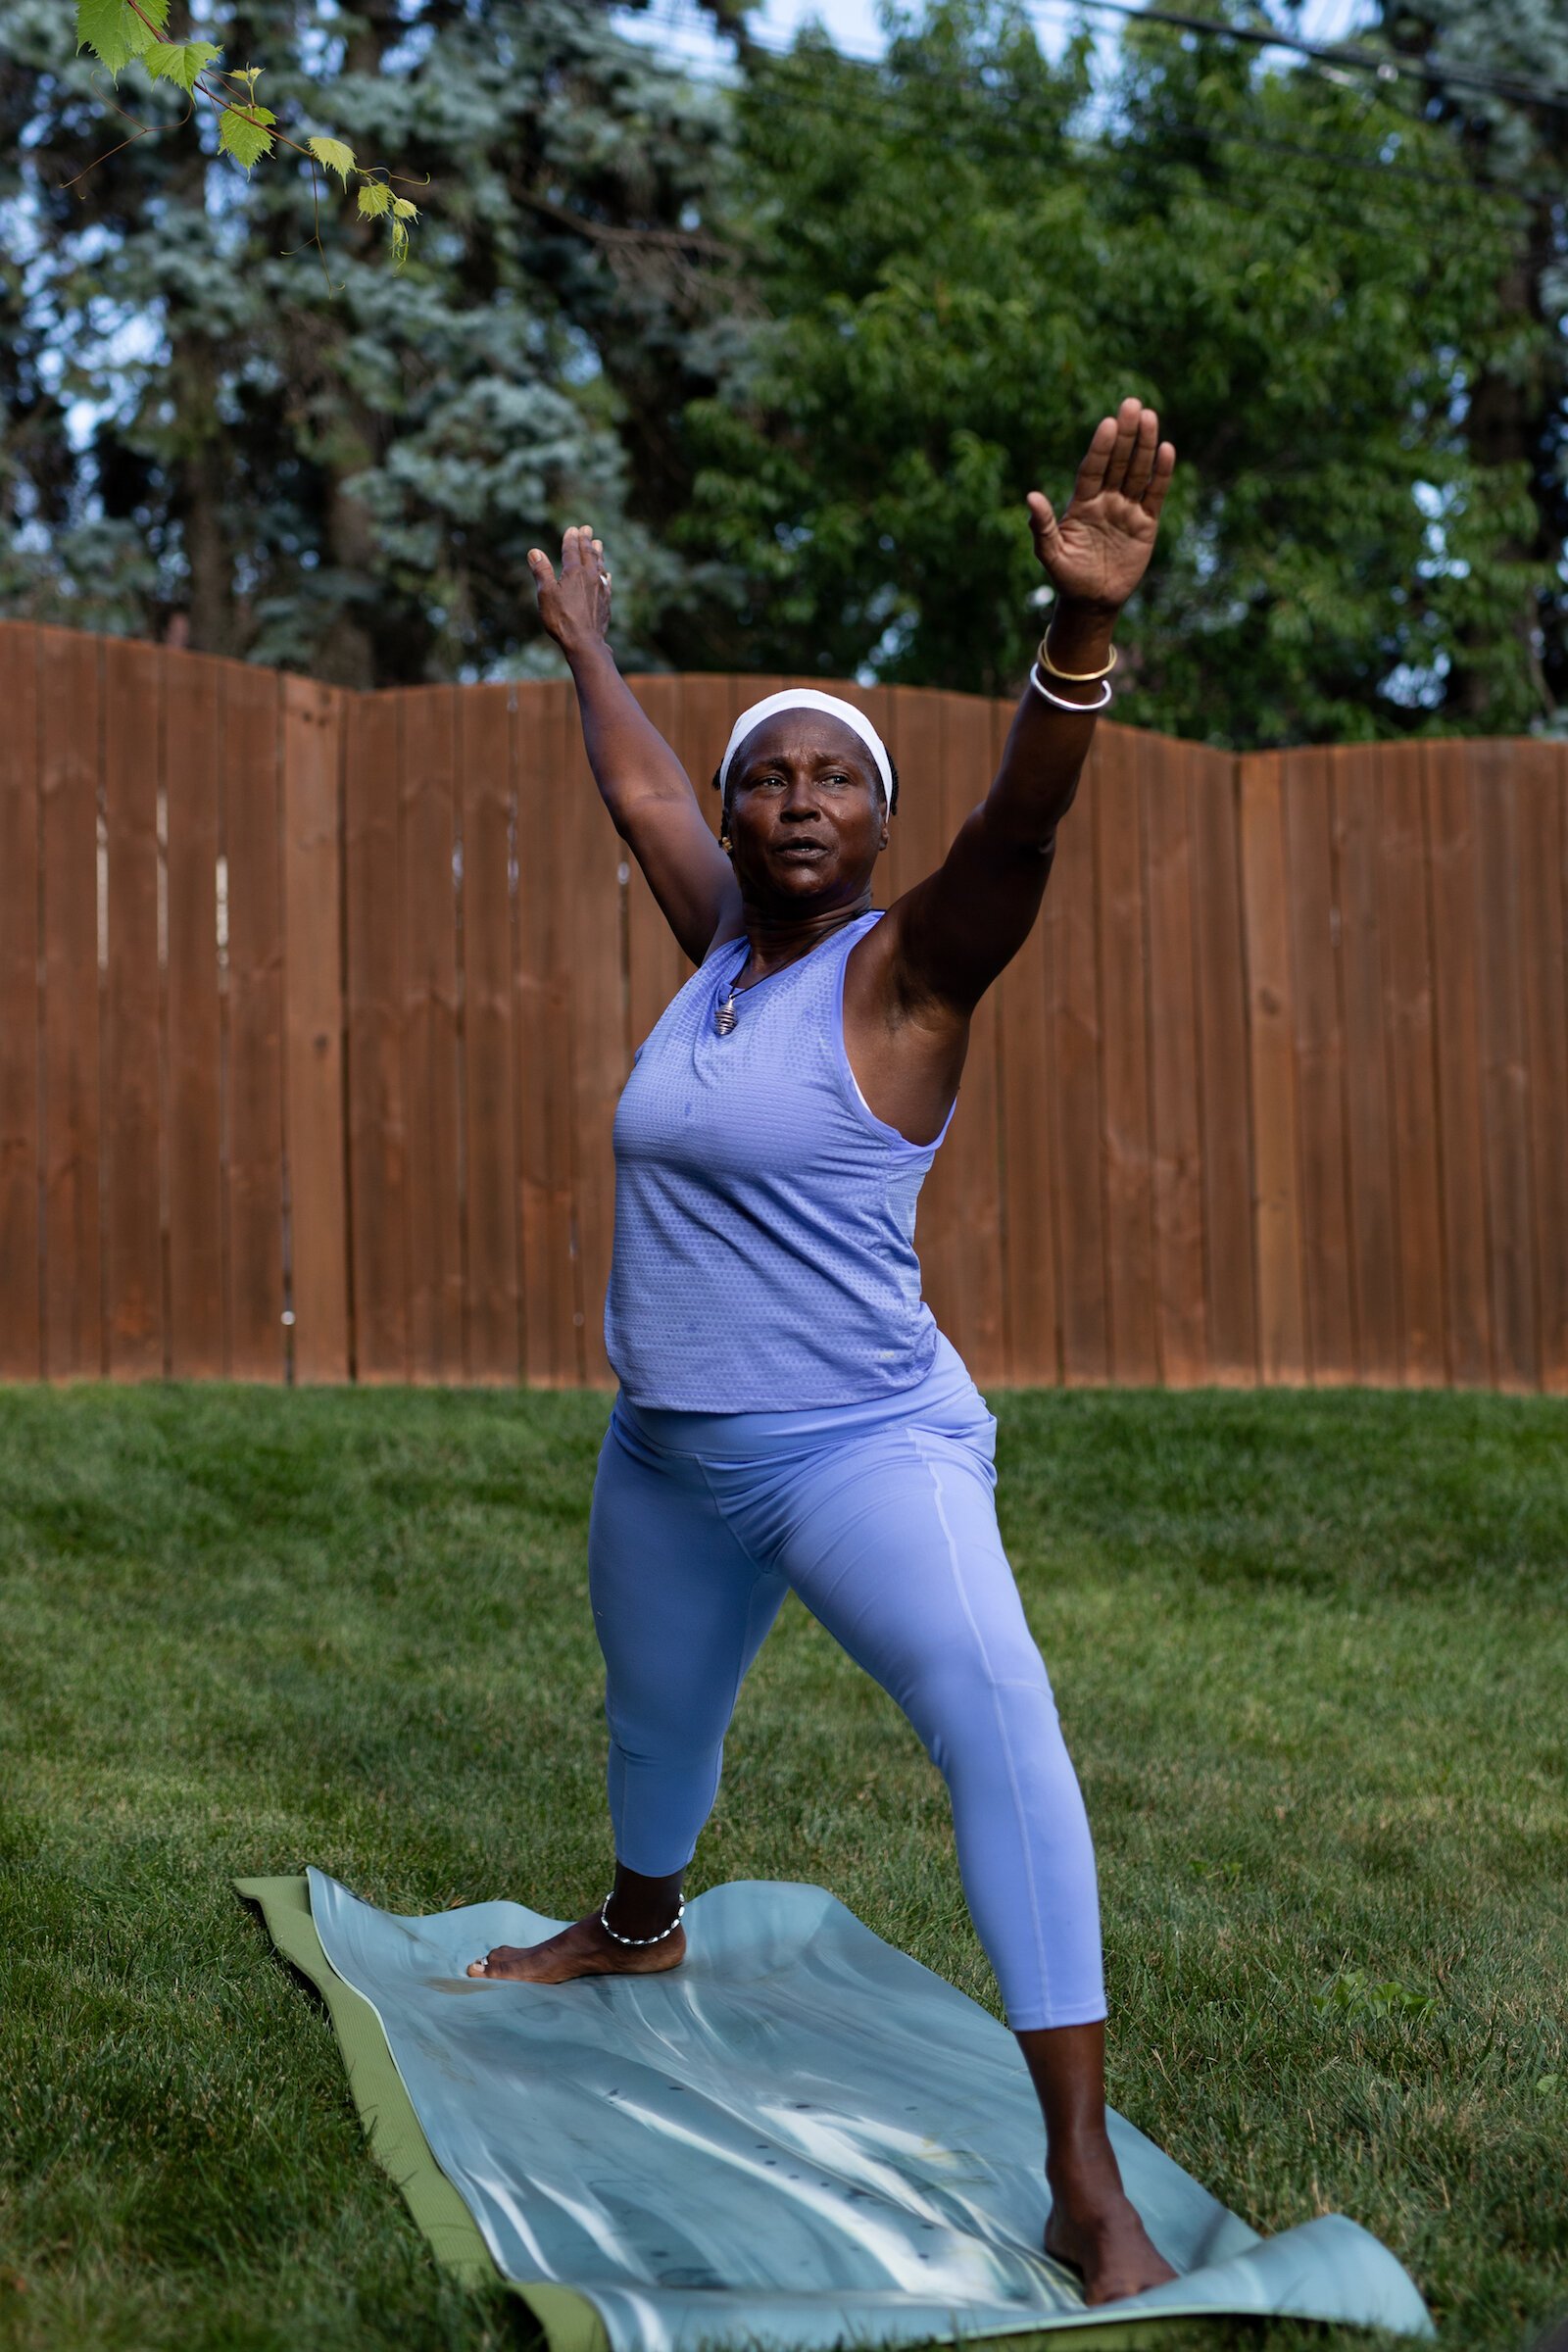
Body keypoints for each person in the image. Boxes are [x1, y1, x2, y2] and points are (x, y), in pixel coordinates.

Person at [469, 399, 1178, 2308]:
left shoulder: (905, 973)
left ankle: (1082, 2178)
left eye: (831, 781)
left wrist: (1076, 641)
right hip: (668, 1455)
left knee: (994, 1718)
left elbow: (1016, 828)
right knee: (652, 1731)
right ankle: (635, 1927)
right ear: (736, 816)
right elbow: (634, 793)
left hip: (859, 1445)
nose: (793, 801)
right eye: (764, 779)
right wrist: (589, 651)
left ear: (871, 822)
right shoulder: (716, 956)